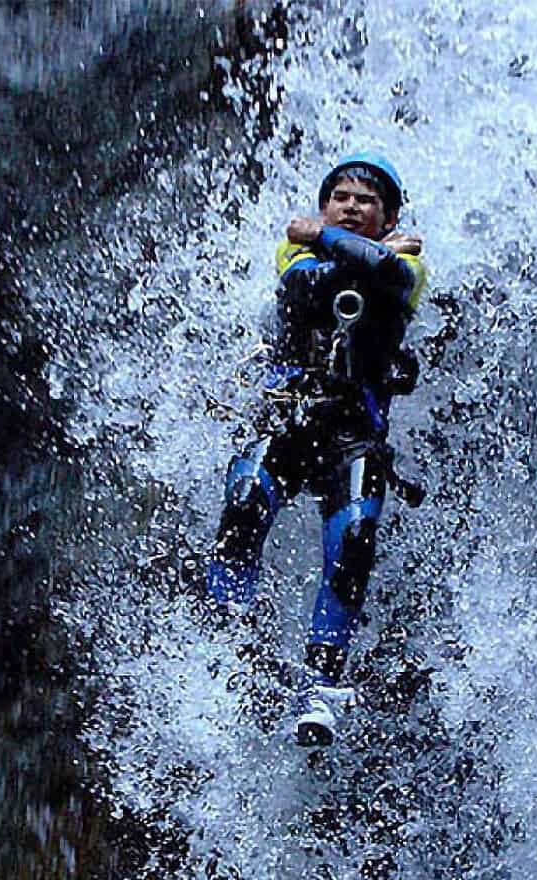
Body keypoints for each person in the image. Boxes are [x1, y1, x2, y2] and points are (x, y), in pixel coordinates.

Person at [201, 153, 428, 746]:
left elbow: (395, 279)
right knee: (246, 498)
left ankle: (321, 686)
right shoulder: (294, 253)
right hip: (292, 417)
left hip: (354, 434)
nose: (351, 207)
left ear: (389, 216)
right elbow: (311, 284)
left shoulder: (408, 269)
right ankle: (228, 637)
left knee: (354, 539)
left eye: (365, 202)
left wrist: (330, 241)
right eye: (340, 198)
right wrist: (361, 255)